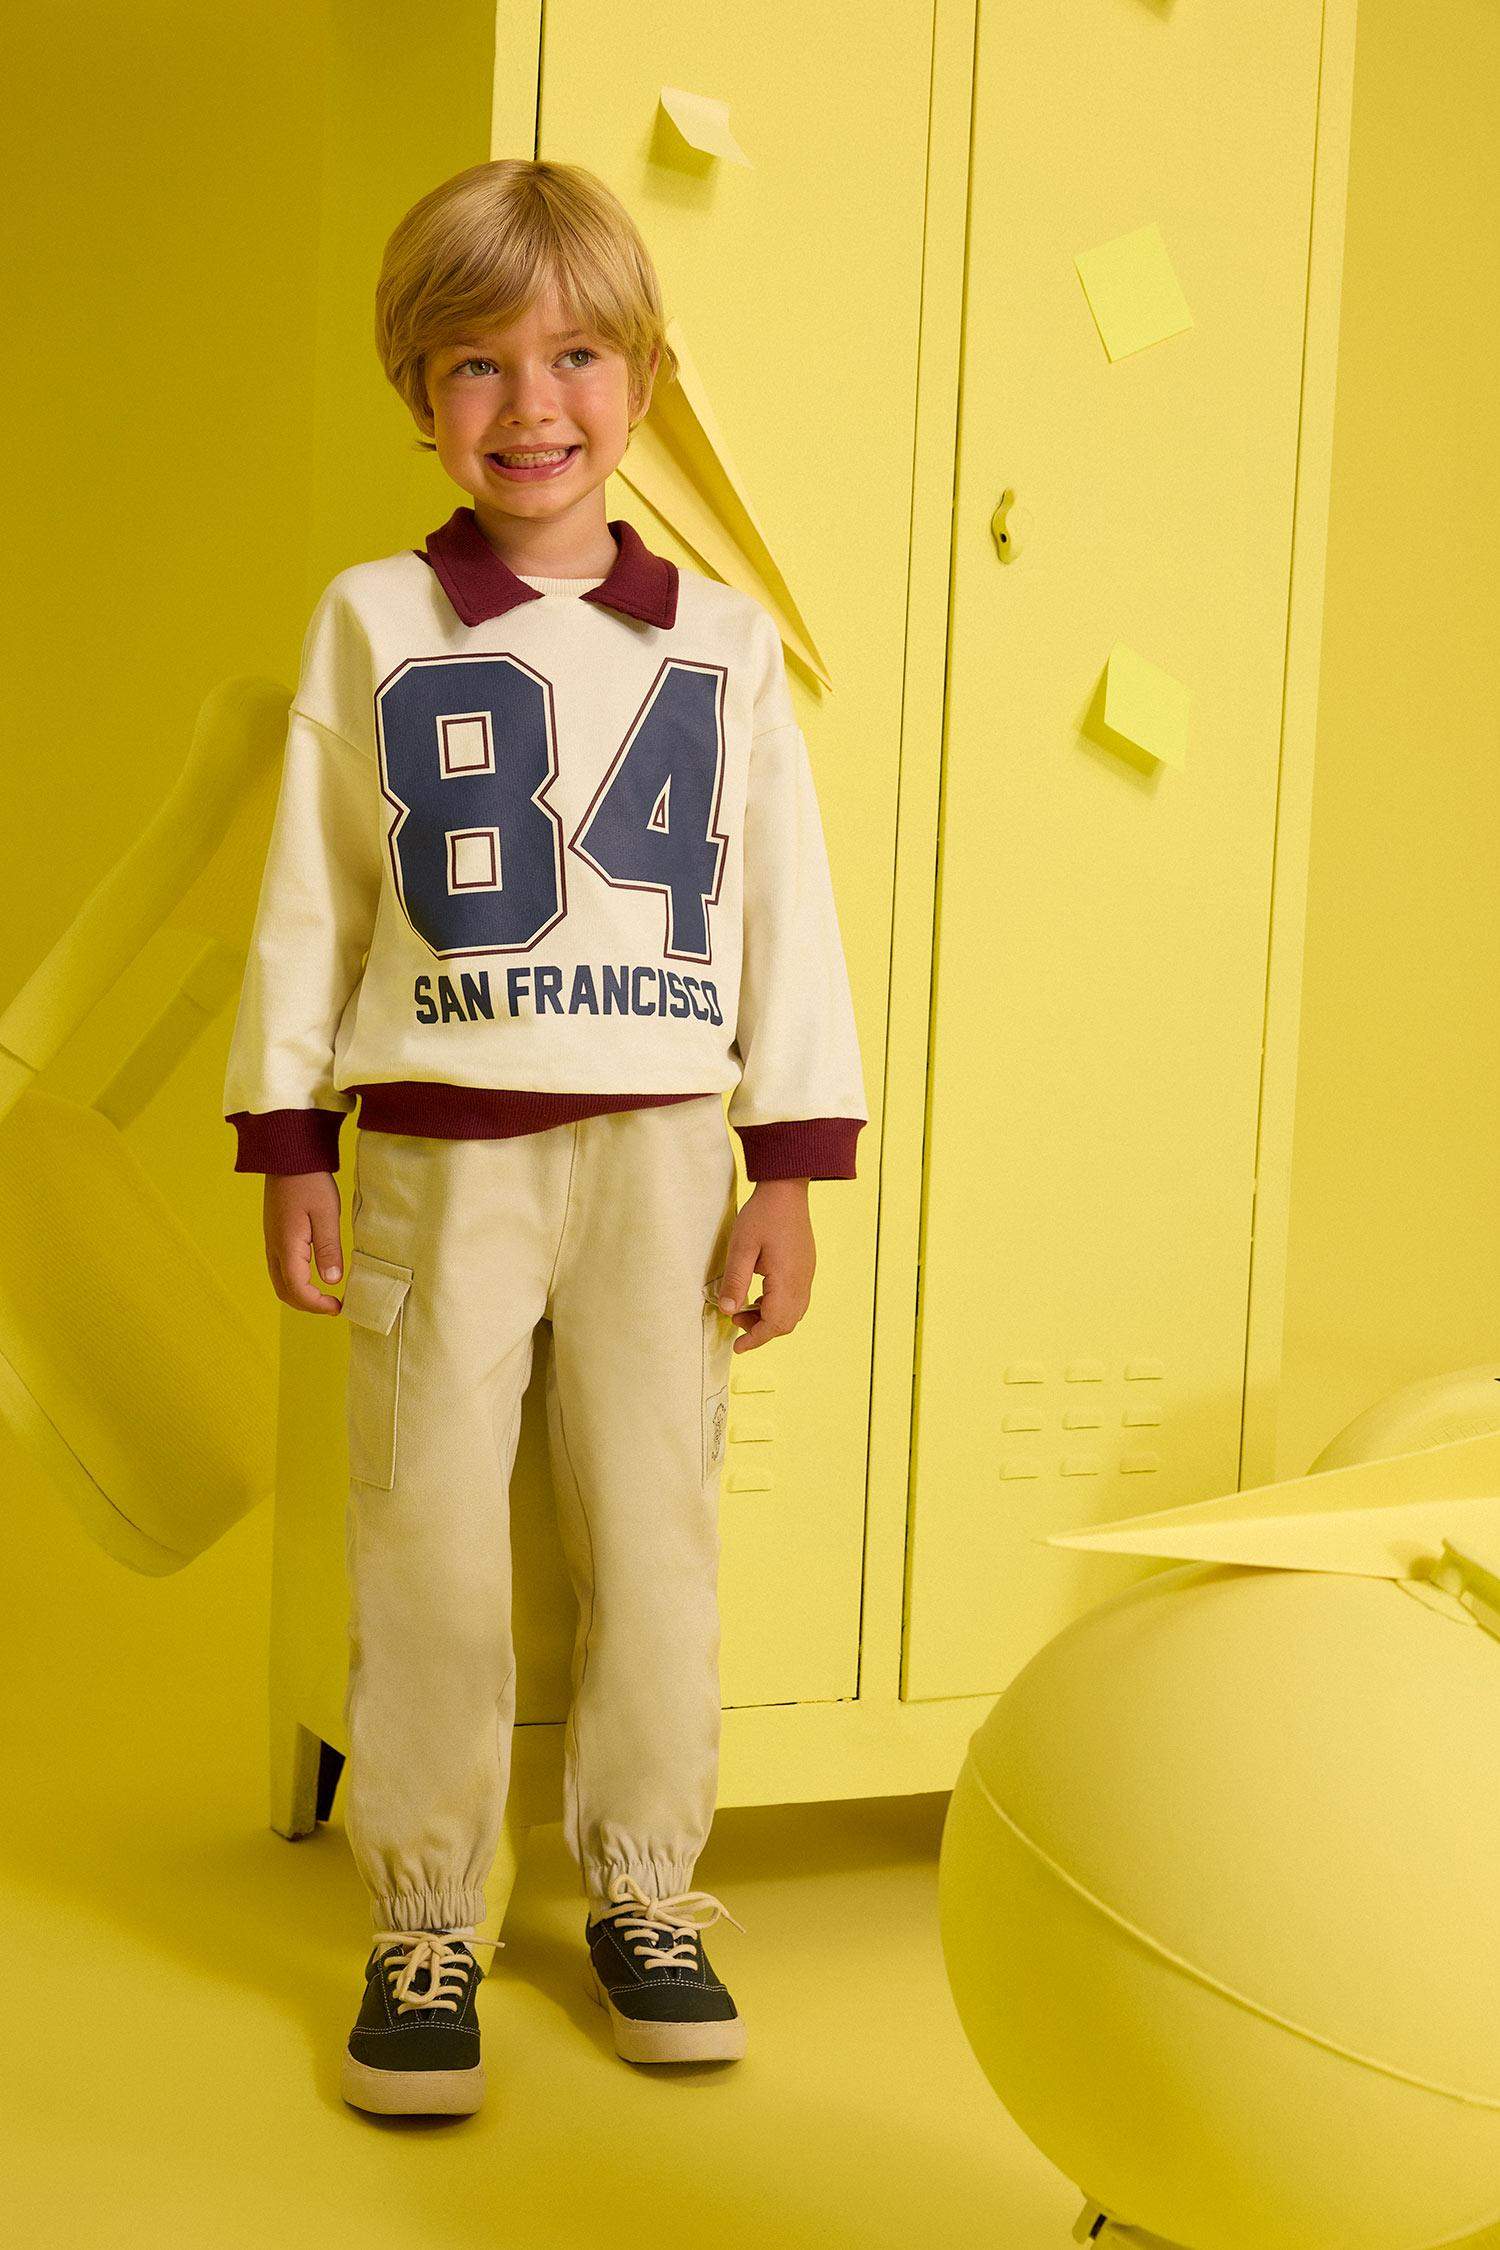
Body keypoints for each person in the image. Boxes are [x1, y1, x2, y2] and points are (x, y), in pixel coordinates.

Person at [222, 157, 867, 2117]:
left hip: (665, 1155)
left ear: (644, 381)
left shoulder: (725, 644)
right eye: (477, 364)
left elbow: (785, 916)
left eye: (577, 356)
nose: (532, 404)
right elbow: (315, 897)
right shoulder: (376, 620)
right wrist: (292, 1136)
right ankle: (425, 1915)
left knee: (654, 1536)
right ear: (419, 395)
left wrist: (789, 1167)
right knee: (426, 1534)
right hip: (440, 1159)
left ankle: (645, 1890)